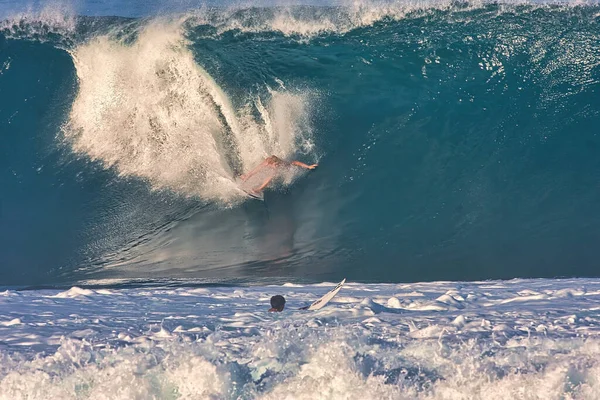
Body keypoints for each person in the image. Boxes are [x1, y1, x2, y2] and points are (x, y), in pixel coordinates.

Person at [240, 155, 318, 194]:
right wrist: (247, 176)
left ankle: (259, 189)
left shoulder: (282, 164)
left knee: (270, 176)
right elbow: (255, 170)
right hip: (269, 162)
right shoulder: (267, 162)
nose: (276, 166)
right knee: (257, 170)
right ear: (270, 164)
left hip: (280, 167)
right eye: (275, 165)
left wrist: (308, 166)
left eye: (277, 165)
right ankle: (245, 177)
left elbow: (295, 162)